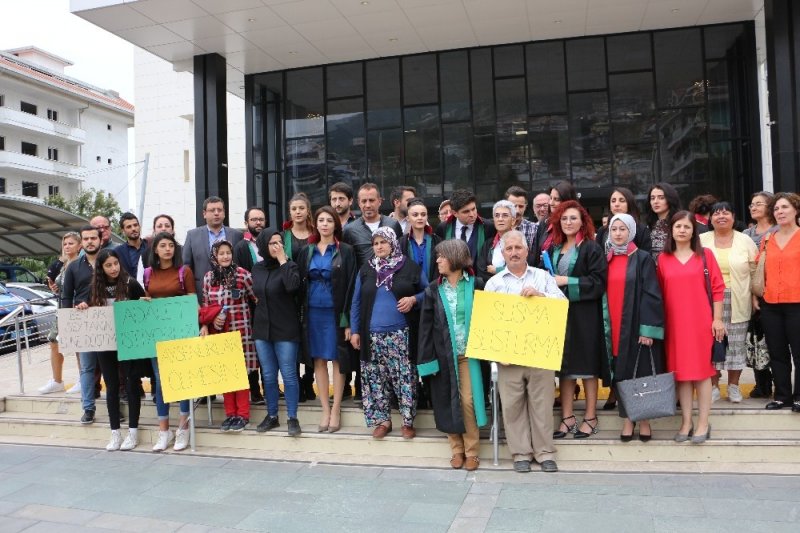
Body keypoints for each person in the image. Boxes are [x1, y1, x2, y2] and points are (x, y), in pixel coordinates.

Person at [485, 230, 563, 473]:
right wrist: (495, 355)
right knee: (512, 406)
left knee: (542, 404)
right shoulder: (494, 283)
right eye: (509, 249)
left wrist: (540, 296)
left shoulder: (542, 277)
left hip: (540, 353)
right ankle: (520, 453)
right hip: (508, 357)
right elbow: (486, 322)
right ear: (502, 254)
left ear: (527, 250)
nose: (514, 252)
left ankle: (545, 452)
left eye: (518, 248)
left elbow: (561, 304)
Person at [350, 227, 427, 439]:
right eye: (375, 243)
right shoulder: (366, 269)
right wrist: (355, 330)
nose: (379, 247)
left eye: (383, 242)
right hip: (371, 336)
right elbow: (356, 301)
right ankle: (383, 421)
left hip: (401, 335)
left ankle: (407, 421)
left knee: (405, 378)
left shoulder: (409, 267)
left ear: (393, 243)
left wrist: (414, 300)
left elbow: (428, 291)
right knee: (375, 379)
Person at [418, 239, 485, 470]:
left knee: (467, 401)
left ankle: (472, 451)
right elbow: (425, 328)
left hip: (469, 355)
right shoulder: (433, 290)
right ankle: (456, 450)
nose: (437, 260)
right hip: (444, 355)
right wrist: (426, 361)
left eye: (442, 256)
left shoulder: (476, 285)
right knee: (447, 400)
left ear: (455, 257)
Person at [657, 211, 725, 443]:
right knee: (681, 375)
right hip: (674, 325)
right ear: (672, 230)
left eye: (687, 227)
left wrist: (717, 319)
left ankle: (704, 422)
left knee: (702, 374)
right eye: (678, 226)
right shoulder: (663, 259)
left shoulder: (705, 256)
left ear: (693, 231)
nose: (682, 230)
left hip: (701, 323)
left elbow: (718, 290)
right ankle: (686, 421)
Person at [543, 200, 608, 440]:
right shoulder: (553, 249)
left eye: (573, 218)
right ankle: (567, 417)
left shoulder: (591, 248)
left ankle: (590, 417)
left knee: (588, 368)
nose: (568, 222)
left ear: (583, 221)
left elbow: (599, 282)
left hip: (586, 315)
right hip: (560, 315)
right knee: (565, 368)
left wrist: (567, 281)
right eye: (564, 219)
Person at [603, 214, 665, 442]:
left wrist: (647, 329)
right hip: (615, 325)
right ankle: (629, 418)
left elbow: (652, 294)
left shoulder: (642, 258)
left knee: (641, 373)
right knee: (622, 373)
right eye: (614, 229)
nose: (618, 233)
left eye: (622, 229)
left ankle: (645, 419)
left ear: (631, 231)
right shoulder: (606, 258)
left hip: (636, 323)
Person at [297, 207, 357, 432]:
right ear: (316, 224)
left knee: (338, 360)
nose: (324, 224)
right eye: (320, 220)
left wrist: (349, 320)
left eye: (329, 220)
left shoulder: (346, 251)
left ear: (335, 225)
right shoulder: (307, 251)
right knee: (319, 360)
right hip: (313, 311)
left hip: (336, 312)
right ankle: (324, 408)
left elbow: (352, 286)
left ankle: (336, 408)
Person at [78, 248, 145, 451]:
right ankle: (115, 432)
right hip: (105, 344)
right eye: (108, 265)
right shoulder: (95, 288)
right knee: (111, 386)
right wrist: (82, 307)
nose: (113, 268)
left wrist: (145, 303)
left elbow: (143, 307)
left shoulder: (130, 283)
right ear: (101, 268)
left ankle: (133, 432)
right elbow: (87, 308)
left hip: (128, 342)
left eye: (116, 263)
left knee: (132, 384)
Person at [142, 231, 195, 452]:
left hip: (180, 332)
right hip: (157, 334)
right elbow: (147, 297)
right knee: (161, 381)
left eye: (171, 245)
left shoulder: (184, 271)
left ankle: (183, 428)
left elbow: (193, 300)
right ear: (155, 249)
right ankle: (164, 431)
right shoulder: (147, 273)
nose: (167, 249)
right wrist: (145, 301)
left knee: (181, 379)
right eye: (162, 245)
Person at [700, 202, 758, 403]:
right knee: (710, 343)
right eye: (716, 213)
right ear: (710, 218)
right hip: (706, 299)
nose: (721, 216)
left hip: (738, 297)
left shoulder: (745, 240)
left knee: (735, 343)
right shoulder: (701, 240)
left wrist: (754, 295)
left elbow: (754, 271)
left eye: (726, 212)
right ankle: (714, 386)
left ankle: (733, 386)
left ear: (734, 217)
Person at [201, 240, 257, 432]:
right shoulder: (208, 278)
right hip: (219, 334)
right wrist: (208, 323)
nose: (225, 256)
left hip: (241, 332)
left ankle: (243, 415)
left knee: (240, 375)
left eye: (228, 253)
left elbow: (255, 298)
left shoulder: (243, 275)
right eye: (221, 253)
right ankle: (230, 414)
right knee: (225, 375)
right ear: (214, 257)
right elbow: (206, 306)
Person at [252, 228, 302, 437]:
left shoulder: (290, 265)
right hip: (263, 329)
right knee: (269, 376)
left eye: (279, 242)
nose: (276, 246)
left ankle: (292, 417)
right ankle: (272, 415)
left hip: (286, 328)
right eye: (272, 243)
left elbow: (292, 287)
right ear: (263, 245)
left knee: (289, 375)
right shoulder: (257, 268)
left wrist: (283, 261)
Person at [757, 193, 800, 412]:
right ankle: (782, 396)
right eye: (776, 209)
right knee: (777, 352)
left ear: (796, 210)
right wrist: (757, 296)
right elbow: (758, 269)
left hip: (797, 302)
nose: (780, 212)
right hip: (771, 303)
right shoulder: (767, 239)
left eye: (784, 207)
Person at [61, 225, 103, 424]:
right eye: (85, 239)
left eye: (93, 238)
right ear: (82, 243)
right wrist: (66, 325)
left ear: (100, 240)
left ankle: (116, 406)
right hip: (84, 324)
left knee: (112, 368)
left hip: (108, 322)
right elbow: (66, 297)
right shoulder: (73, 267)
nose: (89, 242)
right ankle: (88, 408)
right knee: (86, 368)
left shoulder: (109, 261)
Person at [38, 232, 83, 395]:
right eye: (65, 244)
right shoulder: (64, 264)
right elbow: (62, 285)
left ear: (80, 246)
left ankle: (82, 380)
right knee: (53, 342)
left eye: (71, 243)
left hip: (75, 309)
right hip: (61, 308)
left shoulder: (81, 264)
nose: (67, 246)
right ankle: (57, 381)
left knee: (79, 346)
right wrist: (56, 288)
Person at [743, 191, 777, 399]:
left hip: (774, 293)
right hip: (752, 293)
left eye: (759, 204)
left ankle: (776, 379)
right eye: (751, 204)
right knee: (755, 339)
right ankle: (761, 383)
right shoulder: (747, 234)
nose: (753, 207)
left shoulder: (778, 230)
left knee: (775, 340)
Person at [233, 206, 267, 406]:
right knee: (252, 348)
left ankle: (269, 385)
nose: (258, 223)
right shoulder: (240, 247)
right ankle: (254, 389)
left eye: (261, 219)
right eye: (254, 220)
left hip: (269, 303)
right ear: (246, 223)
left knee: (267, 345)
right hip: (248, 306)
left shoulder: (271, 242)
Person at [183, 196, 244, 296]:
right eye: (212, 210)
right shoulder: (192, 235)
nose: (216, 213)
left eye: (219, 210)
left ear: (224, 213)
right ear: (204, 214)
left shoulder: (236, 235)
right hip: (202, 292)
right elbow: (186, 267)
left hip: (232, 293)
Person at [342, 183, 403, 267]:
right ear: (359, 203)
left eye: (371, 200)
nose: (368, 205)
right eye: (364, 201)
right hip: (364, 278)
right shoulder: (350, 230)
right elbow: (347, 263)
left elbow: (401, 254)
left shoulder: (393, 224)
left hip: (392, 277)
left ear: (380, 201)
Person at [436, 189, 496, 263]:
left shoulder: (488, 227)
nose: (472, 214)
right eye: (466, 211)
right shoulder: (443, 228)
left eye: (473, 209)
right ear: (454, 213)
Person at [531, 181, 578, 266]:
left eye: (556, 199)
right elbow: (535, 255)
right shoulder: (545, 223)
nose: (551, 203)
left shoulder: (574, 225)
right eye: (551, 198)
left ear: (567, 201)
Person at [595, 187, 652, 254]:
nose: (616, 204)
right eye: (613, 201)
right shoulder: (603, 231)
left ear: (629, 204)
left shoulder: (641, 230)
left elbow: (647, 258)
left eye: (622, 201)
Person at [399, 198, 442, 284]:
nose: (420, 218)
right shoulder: (402, 243)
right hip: (410, 292)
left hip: (434, 290)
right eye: (415, 215)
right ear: (408, 218)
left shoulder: (437, 241)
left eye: (423, 214)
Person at [476, 200, 516, 283]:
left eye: (505, 215)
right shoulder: (488, 243)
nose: (500, 219)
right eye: (497, 216)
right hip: (491, 289)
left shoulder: (520, 242)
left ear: (513, 221)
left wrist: (497, 270)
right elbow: (481, 270)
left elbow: (520, 268)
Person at [645, 182, 682, 259]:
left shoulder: (679, 224)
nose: (655, 201)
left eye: (661, 197)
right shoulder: (649, 226)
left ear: (670, 199)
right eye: (652, 198)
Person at [116, 212, 148, 280]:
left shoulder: (150, 247)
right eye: (129, 227)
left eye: (135, 225)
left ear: (139, 226)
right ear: (123, 231)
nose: (133, 229)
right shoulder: (117, 252)